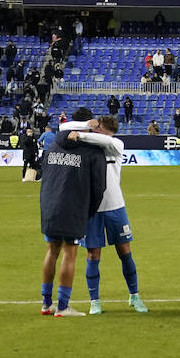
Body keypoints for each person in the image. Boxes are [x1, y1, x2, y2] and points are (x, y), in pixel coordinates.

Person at [62, 116, 148, 314]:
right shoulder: (88, 145)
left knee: (125, 252)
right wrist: (85, 125)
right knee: (93, 255)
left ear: (101, 128)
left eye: (95, 128)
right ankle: (95, 301)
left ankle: (134, 296)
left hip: (116, 206)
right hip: (92, 209)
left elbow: (105, 140)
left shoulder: (116, 144)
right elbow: (62, 127)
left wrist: (81, 135)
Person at [38, 108, 106, 317]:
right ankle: (63, 305)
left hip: (50, 206)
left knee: (51, 252)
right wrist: (89, 211)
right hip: (74, 208)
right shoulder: (92, 151)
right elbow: (99, 188)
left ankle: (46, 303)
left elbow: (44, 176)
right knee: (70, 253)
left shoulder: (53, 145)